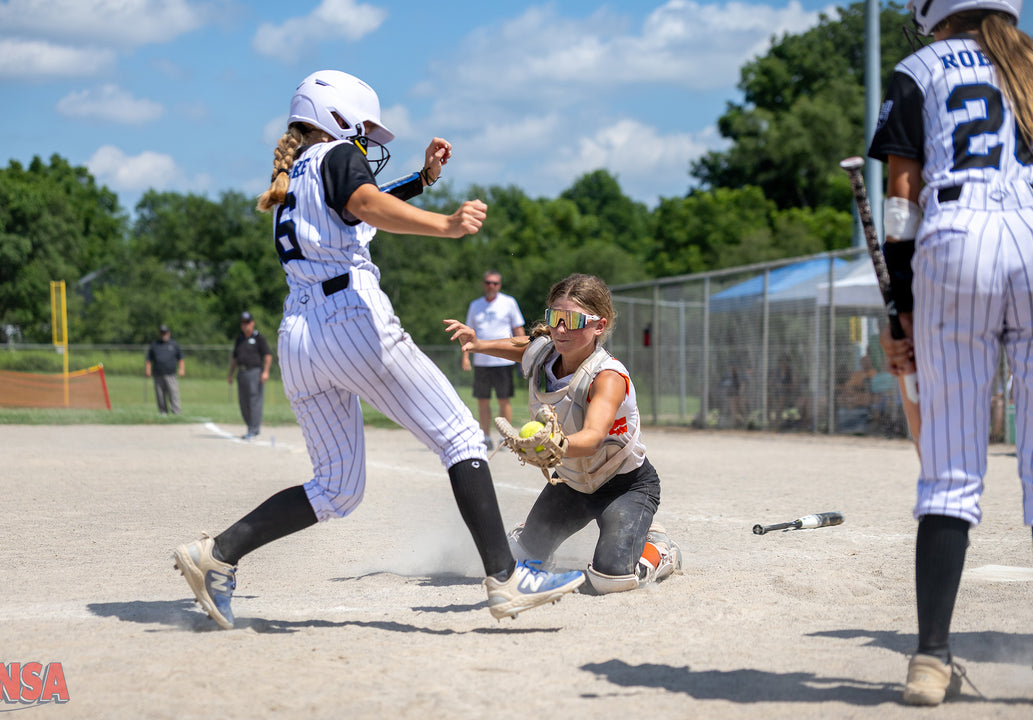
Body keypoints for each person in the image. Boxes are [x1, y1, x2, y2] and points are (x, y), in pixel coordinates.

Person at [173, 70, 583, 630]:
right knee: (462, 436)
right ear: (337, 117)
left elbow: (358, 204)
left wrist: (422, 179)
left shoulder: (295, 174)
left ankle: (217, 554)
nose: (366, 141)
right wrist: (445, 223)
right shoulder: (337, 154)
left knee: (336, 489)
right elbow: (365, 202)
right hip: (349, 319)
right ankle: (506, 578)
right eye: (363, 128)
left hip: (299, 335)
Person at [869, 0, 1033, 705]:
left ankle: (932, 660)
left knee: (949, 470)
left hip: (959, 239)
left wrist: (899, 306)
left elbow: (902, 195)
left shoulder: (923, 66)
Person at [444, 274, 682, 595]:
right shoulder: (545, 353)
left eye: (571, 320)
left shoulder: (607, 377)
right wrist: (479, 344)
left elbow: (593, 436)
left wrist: (557, 444)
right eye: (554, 317)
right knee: (517, 560)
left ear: (599, 326)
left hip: (625, 486)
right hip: (571, 485)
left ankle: (660, 548)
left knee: (611, 578)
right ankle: (532, 536)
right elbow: (526, 347)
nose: (559, 329)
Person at [463, 270, 525, 449]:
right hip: (481, 361)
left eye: (495, 283)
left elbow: (518, 331)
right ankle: (486, 437)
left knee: (503, 400)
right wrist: (466, 357)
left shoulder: (509, 302)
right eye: (488, 282)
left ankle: (506, 437)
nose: (491, 286)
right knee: (482, 400)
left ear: (500, 285)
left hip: (504, 360)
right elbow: (467, 333)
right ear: (483, 284)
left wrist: (523, 356)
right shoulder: (475, 305)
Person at [227, 311, 273, 440]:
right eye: (243, 322)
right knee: (243, 403)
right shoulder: (240, 339)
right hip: (241, 373)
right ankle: (250, 427)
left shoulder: (258, 338)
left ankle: (253, 430)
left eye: (247, 322)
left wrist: (266, 372)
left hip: (255, 373)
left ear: (252, 323)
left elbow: (268, 355)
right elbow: (235, 358)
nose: (245, 325)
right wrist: (231, 374)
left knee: (254, 402)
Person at [145, 324, 184, 415]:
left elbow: (181, 358)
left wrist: (182, 369)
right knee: (160, 394)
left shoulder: (174, 344)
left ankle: (176, 411)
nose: (164, 335)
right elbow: (149, 359)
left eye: (165, 333)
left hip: (171, 374)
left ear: (168, 333)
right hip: (158, 374)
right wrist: (148, 369)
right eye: (162, 333)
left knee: (173, 393)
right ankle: (163, 412)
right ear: (159, 334)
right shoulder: (155, 345)